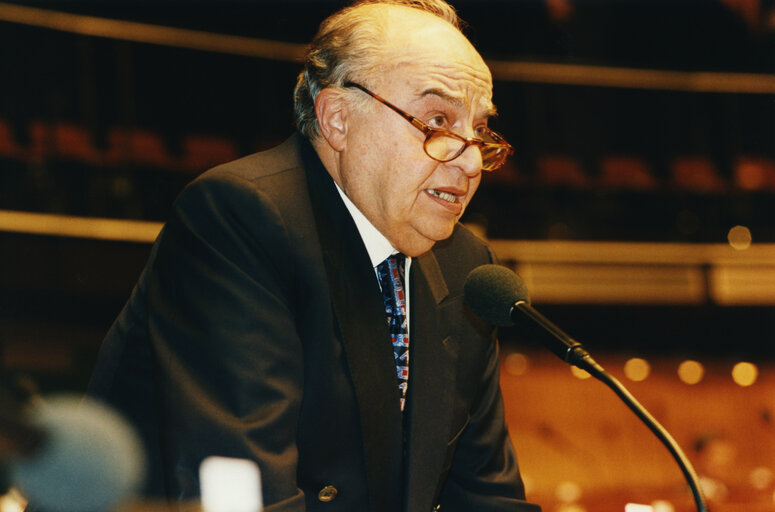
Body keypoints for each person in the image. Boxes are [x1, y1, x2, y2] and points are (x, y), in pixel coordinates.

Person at [88, 1, 541, 511]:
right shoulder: (241, 218)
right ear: (338, 120)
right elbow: (246, 492)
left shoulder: (466, 265)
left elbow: (486, 495)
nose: (472, 160)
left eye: (480, 131)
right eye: (437, 120)